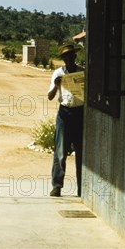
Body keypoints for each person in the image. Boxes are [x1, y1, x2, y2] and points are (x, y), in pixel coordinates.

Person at [48, 43, 84, 197]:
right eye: (65, 57)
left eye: (70, 56)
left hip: (80, 113)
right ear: (63, 59)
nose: (68, 59)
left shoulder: (83, 73)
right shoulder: (58, 73)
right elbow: (50, 97)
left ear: (75, 56)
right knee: (60, 151)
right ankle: (57, 185)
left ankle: (82, 187)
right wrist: (56, 87)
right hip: (64, 113)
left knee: (81, 152)